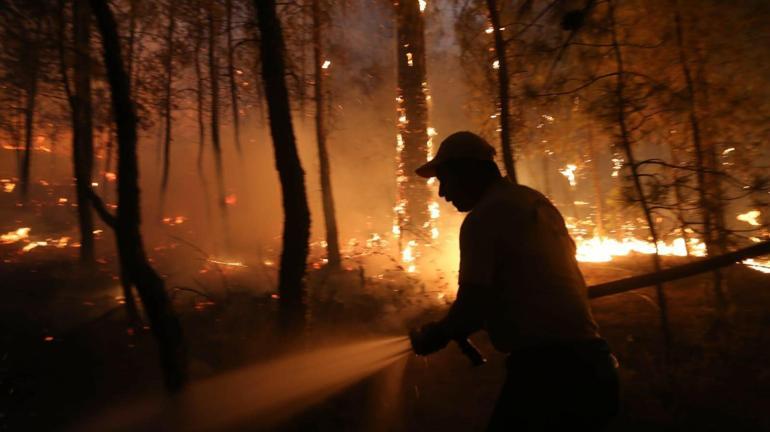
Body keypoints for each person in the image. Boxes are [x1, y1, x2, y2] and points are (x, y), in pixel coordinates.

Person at [409, 131, 619, 431]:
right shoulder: (534, 202)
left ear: (467, 171)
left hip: (549, 375)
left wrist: (437, 334)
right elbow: (531, 287)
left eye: (445, 179)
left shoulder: (483, 218)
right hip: (595, 367)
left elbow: (471, 306)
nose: (443, 193)